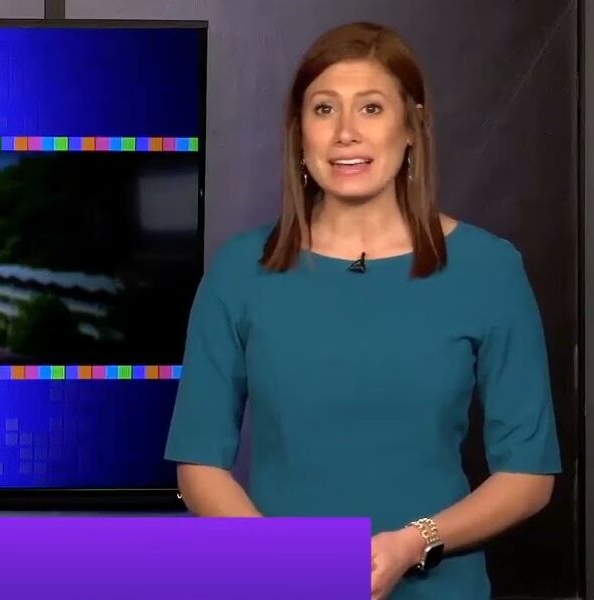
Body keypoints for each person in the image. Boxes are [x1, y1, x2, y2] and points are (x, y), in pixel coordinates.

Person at [163, 21, 561, 600]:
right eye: (324, 109)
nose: (346, 133)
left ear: (412, 127)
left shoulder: (490, 269)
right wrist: (277, 562)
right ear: (300, 133)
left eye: (371, 108)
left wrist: (414, 543)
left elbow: (528, 475)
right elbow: (198, 464)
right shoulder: (240, 269)